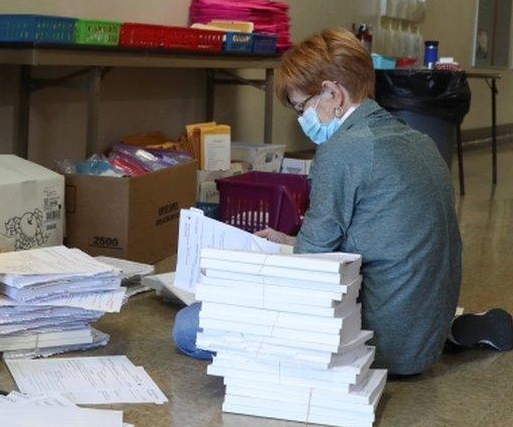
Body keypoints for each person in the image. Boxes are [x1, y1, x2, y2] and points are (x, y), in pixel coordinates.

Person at [173, 28, 511, 375]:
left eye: (301, 106)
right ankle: (450, 331)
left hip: (382, 346)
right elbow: (373, 232)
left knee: (188, 325)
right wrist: (291, 240)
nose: (302, 118)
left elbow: (311, 265)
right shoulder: (418, 140)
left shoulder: (343, 150)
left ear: (332, 93)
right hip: (424, 332)